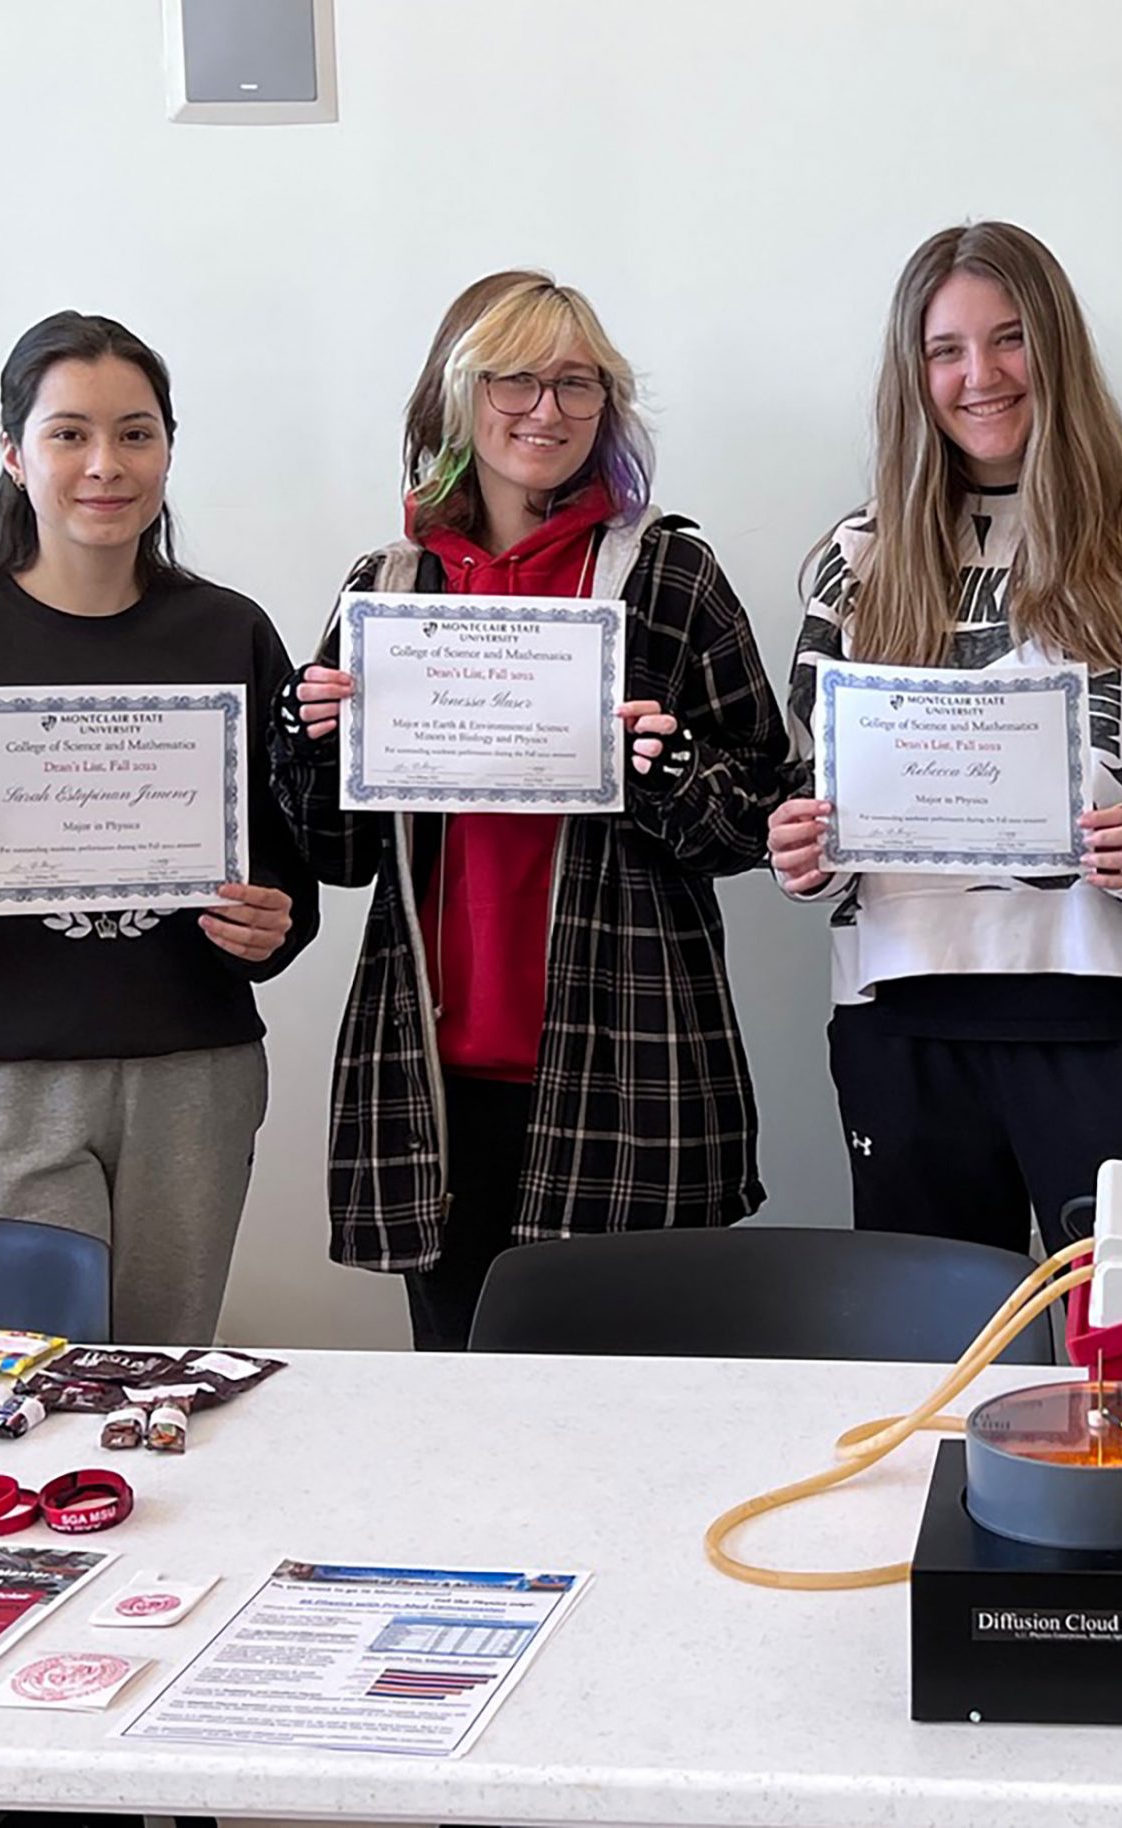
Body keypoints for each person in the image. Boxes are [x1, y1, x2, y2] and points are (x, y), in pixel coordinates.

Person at [270, 271, 785, 1351]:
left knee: (639, 1420)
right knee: (464, 1421)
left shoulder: (669, 577)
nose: (544, 410)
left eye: (575, 383)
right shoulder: (389, 589)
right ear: (456, 396)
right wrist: (309, 742)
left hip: (632, 1069)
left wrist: (667, 767)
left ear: (607, 407)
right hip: (432, 1084)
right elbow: (341, 854)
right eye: (513, 379)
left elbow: (764, 817)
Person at [769, 221, 1122, 1255]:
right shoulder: (864, 550)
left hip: (1102, 1008)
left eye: (1008, 338)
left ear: (1055, 344)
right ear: (912, 371)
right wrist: (799, 845)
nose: (981, 374)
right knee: (924, 1363)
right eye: (946, 350)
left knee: (1117, 1359)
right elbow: (805, 784)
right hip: (902, 1015)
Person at [0, 310, 316, 1344]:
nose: (105, 465)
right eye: (68, 433)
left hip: (192, 1073)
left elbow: (283, 868)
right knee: (14, 1395)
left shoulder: (231, 631)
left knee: (160, 1383)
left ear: (169, 447)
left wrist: (276, 926)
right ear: (12, 452)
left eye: (136, 432)